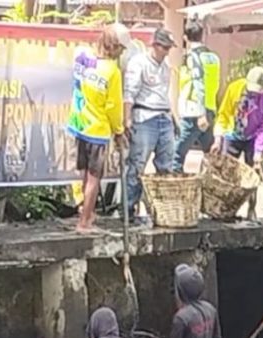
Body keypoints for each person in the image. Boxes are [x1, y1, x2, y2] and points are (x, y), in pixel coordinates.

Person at [68, 24, 131, 232]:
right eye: (120, 49)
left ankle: (87, 211)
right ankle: (84, 221)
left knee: (85, 174)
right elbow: (113, 107)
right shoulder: (112, 71)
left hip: (80, 125)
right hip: (97, 130)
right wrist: (119, 131)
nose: (121, 54)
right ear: (113, 47)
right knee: (95, 178)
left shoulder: (83, 58)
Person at [123, 28, 177, 216]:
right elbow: (129, 93)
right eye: (164, 47)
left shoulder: (166, 66)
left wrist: (173, 119)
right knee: (137, 165)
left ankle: (162, 209)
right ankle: (129, 208)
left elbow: (165, 94)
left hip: (164, 115)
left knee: (166, 165)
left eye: (169, 48)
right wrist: (127, 119)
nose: (166, 52)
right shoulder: (139, 63)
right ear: (155, 45)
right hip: (144, 116)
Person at [174, 20, 221, 171]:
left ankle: (176, 189)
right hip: (210, 108)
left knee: (176, 155)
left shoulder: (193, 57)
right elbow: (215, 83)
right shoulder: (213, 57)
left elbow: (199, 83)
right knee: (209, 154)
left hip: (194, 112)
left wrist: (200, 113)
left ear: (185, 38)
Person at [212, 67, 263, 167]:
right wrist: (218, 139)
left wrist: (258, 151)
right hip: (232, 134)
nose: (253, 93)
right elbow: (224, 114)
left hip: (253, 138)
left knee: (253, 169)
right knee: (226, 169)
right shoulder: (234, 88)